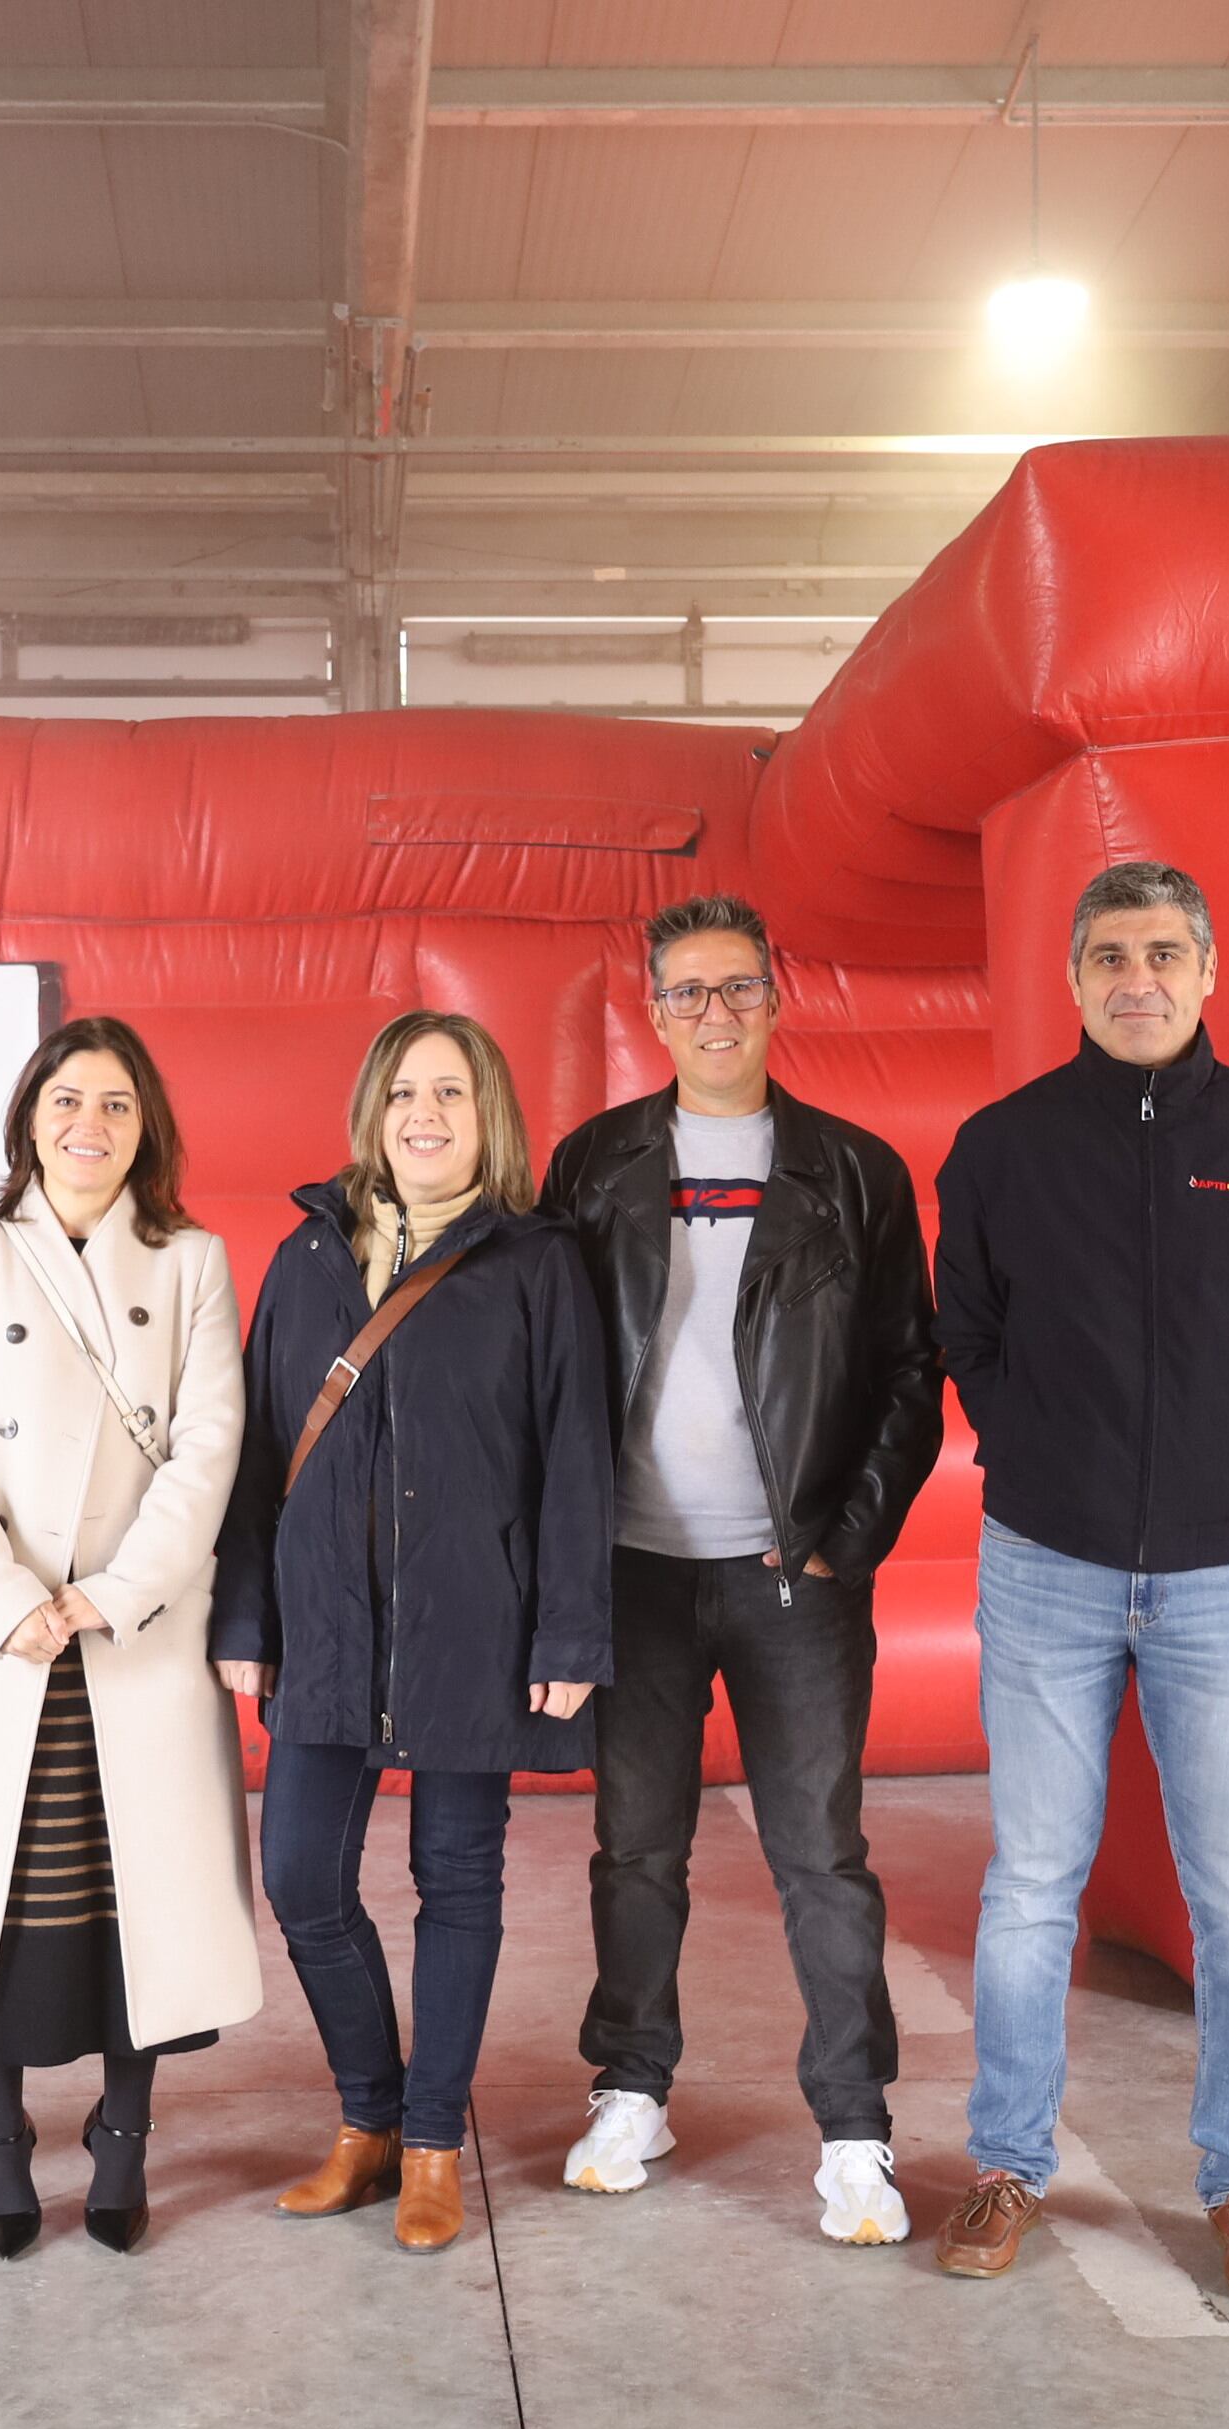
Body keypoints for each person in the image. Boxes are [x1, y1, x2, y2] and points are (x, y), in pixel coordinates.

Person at [924, 859, 1229, 2306]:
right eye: (1110, 952)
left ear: (1208, 969)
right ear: (1072, 978)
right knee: (1031, 1886)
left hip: (1227, 1581)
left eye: (1165, 951)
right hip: (1044, 1569)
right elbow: (966, 1333)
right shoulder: (1001, 1148)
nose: (1138, 976)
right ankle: (1006, 2164)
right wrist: (1038, 1452)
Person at [538, 895, 945, 2245]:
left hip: (794, 1581)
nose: (715, 1013)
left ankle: (855, 2128)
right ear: (652, 1013)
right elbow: (546, 1370)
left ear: (777, 998)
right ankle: (632, 2087)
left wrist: (846, 1538)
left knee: (822, 1855)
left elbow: (908, 1371)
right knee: (633, 1850)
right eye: (688, 993)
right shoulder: (596, 1165)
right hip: (634, 1574)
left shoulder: (855, 1170)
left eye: (738, 989)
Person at [0, 1018, 258, 2256]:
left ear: (147, 1127)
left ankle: (122, 2135)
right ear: (27, 1117)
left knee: (137, 1902)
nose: (89, 1125)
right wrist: (7, 1592)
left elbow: (208, 1444)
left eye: (117, 1104)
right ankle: (3, 2137)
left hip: (132, 1628)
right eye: (66, 1099)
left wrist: (115, 1590)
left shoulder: (191, 1261)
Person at [212, 1010, 611, 2254]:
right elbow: (257, 1452)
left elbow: (575, 1461)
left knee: (459, 1880)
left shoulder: (538, 1261)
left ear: (487, 1114)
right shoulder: (305, 1259)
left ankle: (433, 2137)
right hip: (324, 1623)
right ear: (371, 1117)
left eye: (448, 1092)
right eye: (402, 1095)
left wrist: (567, 1636)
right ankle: (366, 2120)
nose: (423, 1115)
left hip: (473, 1625)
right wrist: (244, 1612)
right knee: (301, 1880)